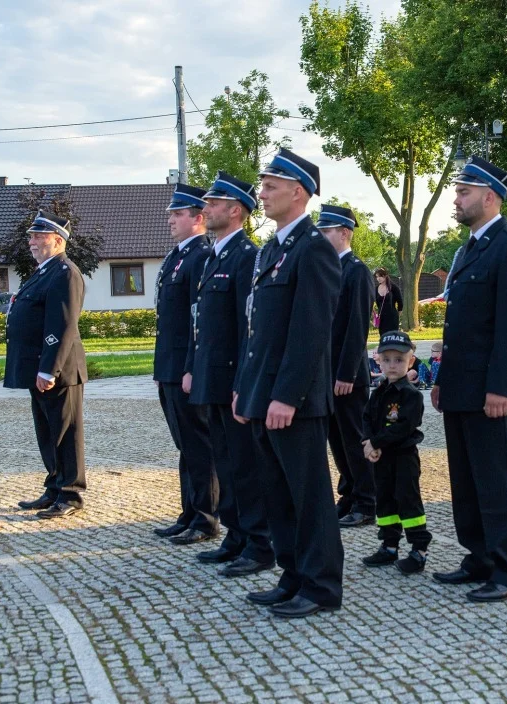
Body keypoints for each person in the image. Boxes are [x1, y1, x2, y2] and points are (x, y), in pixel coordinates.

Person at [232, 147, 344, 618]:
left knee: (308, 496)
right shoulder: (272, 250)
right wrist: (245, 387)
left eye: (271, 186)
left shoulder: (314, 249)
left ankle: (320, 587)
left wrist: (286, 395)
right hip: (263, 393)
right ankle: (292, 574)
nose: (263, 193)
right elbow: (257, 328)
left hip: (292, 400)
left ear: (298, 192)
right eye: (263, 185)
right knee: (277, 493)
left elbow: (310, 332)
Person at [430, 156, 507, 602]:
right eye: (457, 191)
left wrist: (502, 387)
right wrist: (441, 378)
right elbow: (460, 323)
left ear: (489, 197)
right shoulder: (470, 248)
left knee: (497, 481)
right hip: (460, 385)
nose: (456, 199)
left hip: (490, 389)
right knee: (467, 480)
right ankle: (479, 556)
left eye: (463, 192)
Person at [182, 172, 274, 576]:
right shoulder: (214, 255)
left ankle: (259, 544)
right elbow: (202, 323)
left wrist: (243, 385)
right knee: (226, 460)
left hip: (233, 380)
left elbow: (248, 328)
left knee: (245, 465)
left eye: (214, 203)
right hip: (212, 380)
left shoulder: (245, 256)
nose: (206, 209)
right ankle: (236, 535)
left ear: (235, 210)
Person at [7, 211, 88, 519]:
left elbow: (63, 324)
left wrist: (48, 369)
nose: (32, 242)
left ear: (58, 240)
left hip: (59, 372)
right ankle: (54, 486)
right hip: (38, 368)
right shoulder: (43, 272)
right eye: (31, 237)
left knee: (65, 432)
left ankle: (70, 493)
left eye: (38, 237)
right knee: (47, 431)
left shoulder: (65, 272)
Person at [152, 184, 219, 546]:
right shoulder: (176, 256)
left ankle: (207, 517)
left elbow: (200, 320)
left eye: (178, 214)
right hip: (169, 365)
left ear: (198, 218)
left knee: (198, 443)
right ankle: (190, 511)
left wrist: (193, 367)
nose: (170, 219)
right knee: (185, 443)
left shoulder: (200, 256)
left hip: (185, 367)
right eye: (171, 214)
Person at [317, 205, 377, 528]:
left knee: (355, 440)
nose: (322, 237)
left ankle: (367, 502)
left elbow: (357, 327)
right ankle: (350, 493)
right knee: (336, 441)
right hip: (327, 373)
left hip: (347, 375)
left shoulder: (357, 271)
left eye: (326, 232)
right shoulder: (328, 270)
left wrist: (346, 373)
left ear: (344, 232)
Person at [361, 331, 432, 574]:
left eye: (399, 360)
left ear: (411, 361)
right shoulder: (379, 391)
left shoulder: (410, 395)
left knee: (408, 501)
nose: (392, 365)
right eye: (387, 359)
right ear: (378, 360)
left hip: (403, 457)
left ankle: (419, 550)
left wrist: (376, 443)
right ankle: (389, 545)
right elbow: (367, 417)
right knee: (385, 500)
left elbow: (403, 427)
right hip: (381, 458)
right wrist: (368, 442)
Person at [374, 268, 403, 334]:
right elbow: (378, 304)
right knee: (383, 336)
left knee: (393, 336)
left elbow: (400, 303)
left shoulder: (394, 287)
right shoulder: (376, 288)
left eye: (380, 276)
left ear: (385, 276)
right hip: (381, 317)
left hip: (392, 316)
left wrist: (397, 316)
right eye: (377, 277)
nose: (378, 278)